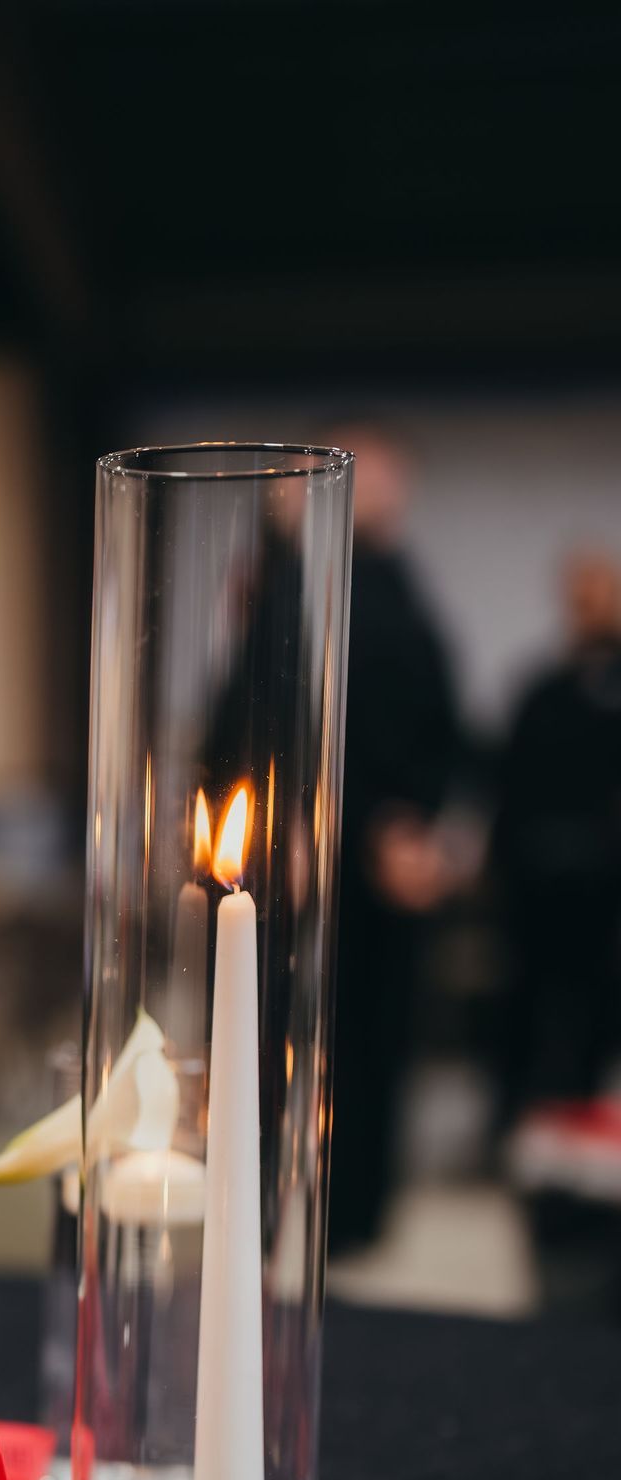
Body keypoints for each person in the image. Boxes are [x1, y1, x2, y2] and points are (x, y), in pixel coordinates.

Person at [326, 427, 466, 1255]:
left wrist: (425, 829)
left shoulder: (405, 585)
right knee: (328, 1047)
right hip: (338, 850)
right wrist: (375, 827)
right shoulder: (301, 583)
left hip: (398, 851)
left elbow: (436, 721)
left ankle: (367, 1217)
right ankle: (332, 1220)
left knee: (384, 1043)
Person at [493, 551, 621, 1127]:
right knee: (531, 1021)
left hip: (606, 899)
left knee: (596, 1025)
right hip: (539, 896)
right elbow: (509, 790)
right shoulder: (542, 692)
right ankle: (528, 1132)